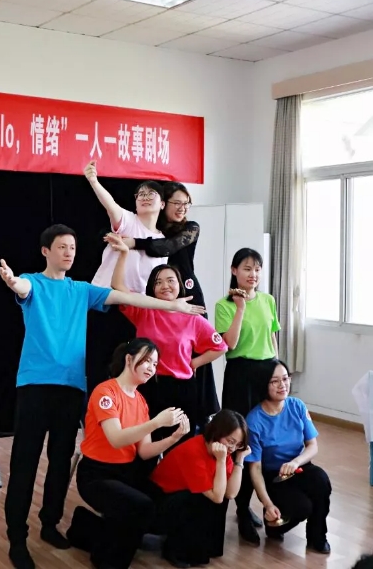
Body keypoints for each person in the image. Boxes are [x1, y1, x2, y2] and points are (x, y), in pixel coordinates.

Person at [0, 224, 204, 569]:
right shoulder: (34, 283)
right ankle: (17, 538)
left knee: (60, 460)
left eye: (73, 247)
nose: (69, 252)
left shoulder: (81, 290)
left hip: (71, 388)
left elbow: (129, 297)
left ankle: (50, 523)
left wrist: (173, 307)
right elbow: (22, 286)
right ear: (46, 251)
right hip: (35, 386)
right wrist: (12, 281)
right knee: (25, 462)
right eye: (62, 247)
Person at [66, 338, 190, 569]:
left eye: (155, 364)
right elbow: (116, 439)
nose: (151, 368)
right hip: (96, 475)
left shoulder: (141, 401)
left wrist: (174, 438)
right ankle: (108, 560)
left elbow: (144, 451)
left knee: (164, 503)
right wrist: (156, 423)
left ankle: (87, 527)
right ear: (129, 359)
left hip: (127, 474)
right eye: (147, 361)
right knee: (140, 507)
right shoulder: (105, 392)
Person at [107, 234, 227, 441]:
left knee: (179, 445)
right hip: (147, 384)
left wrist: (194, 363)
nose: (165, 286)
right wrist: (124, 253)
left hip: (181, 388)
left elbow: (220, 347)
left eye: (171, 281)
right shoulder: (144, 310)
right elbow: (118, 286)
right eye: (158, 282)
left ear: (179, 285)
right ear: (152, 288)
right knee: (146, 443)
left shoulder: (193, 317)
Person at [123, 180, 219, 427]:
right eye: (177, 203)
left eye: (186, 203)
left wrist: (135, 243)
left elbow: (167, 247)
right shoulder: (151, 228)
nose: (182, 208)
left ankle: (200, 418)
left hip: (187, 295)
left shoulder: (190, 228)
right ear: (164, 203)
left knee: (194, 354)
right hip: (158, 295)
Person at [215, 247, 280, 543]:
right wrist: (240, 308)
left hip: (266, 372)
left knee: (262, 440)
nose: (253, 274)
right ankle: (240, 509)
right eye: (246, 268)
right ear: (234, 271)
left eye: (257, 269)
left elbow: (272, 338)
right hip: (240, 374)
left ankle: (256, 504)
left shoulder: (268, 300)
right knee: (240, 440)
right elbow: (229, 344)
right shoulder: (224, 305)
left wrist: (279, 373)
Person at [84, 160, 168, 392]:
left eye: (151, 193)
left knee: (126, 368)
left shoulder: (162, 242)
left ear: (162, 203)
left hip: (134, 311)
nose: (145, 197)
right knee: (98, 365)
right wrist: (93, 181)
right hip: (105, 303)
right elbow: (110, 205)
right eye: (140, 194)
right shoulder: (128, 221)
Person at [246, 359, 332, 554]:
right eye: (275, 381)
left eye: (285, 379)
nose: (282, 385)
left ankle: (317, 537)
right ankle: (274, 525)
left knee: (321, 481)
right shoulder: (254, 420)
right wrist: (267, 504)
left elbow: (312, 446)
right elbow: (255, 468)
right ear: (264, 384)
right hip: (274, 475)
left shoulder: (297, 406)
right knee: (303, 507)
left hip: (297, 466)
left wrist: (295, 462)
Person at [150, 410, 251, 568]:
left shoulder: (222, 452)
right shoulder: (195, 451)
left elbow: (230, 493)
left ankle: (208, 547)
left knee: (218, 489)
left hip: (182, 497)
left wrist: (240, 459)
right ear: (217, 433)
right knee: (204, 497)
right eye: (230, 441)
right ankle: (175, 550)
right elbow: (217, 497)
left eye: (238, 444)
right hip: (160, 502)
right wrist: (221, 461)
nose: (233, 448)